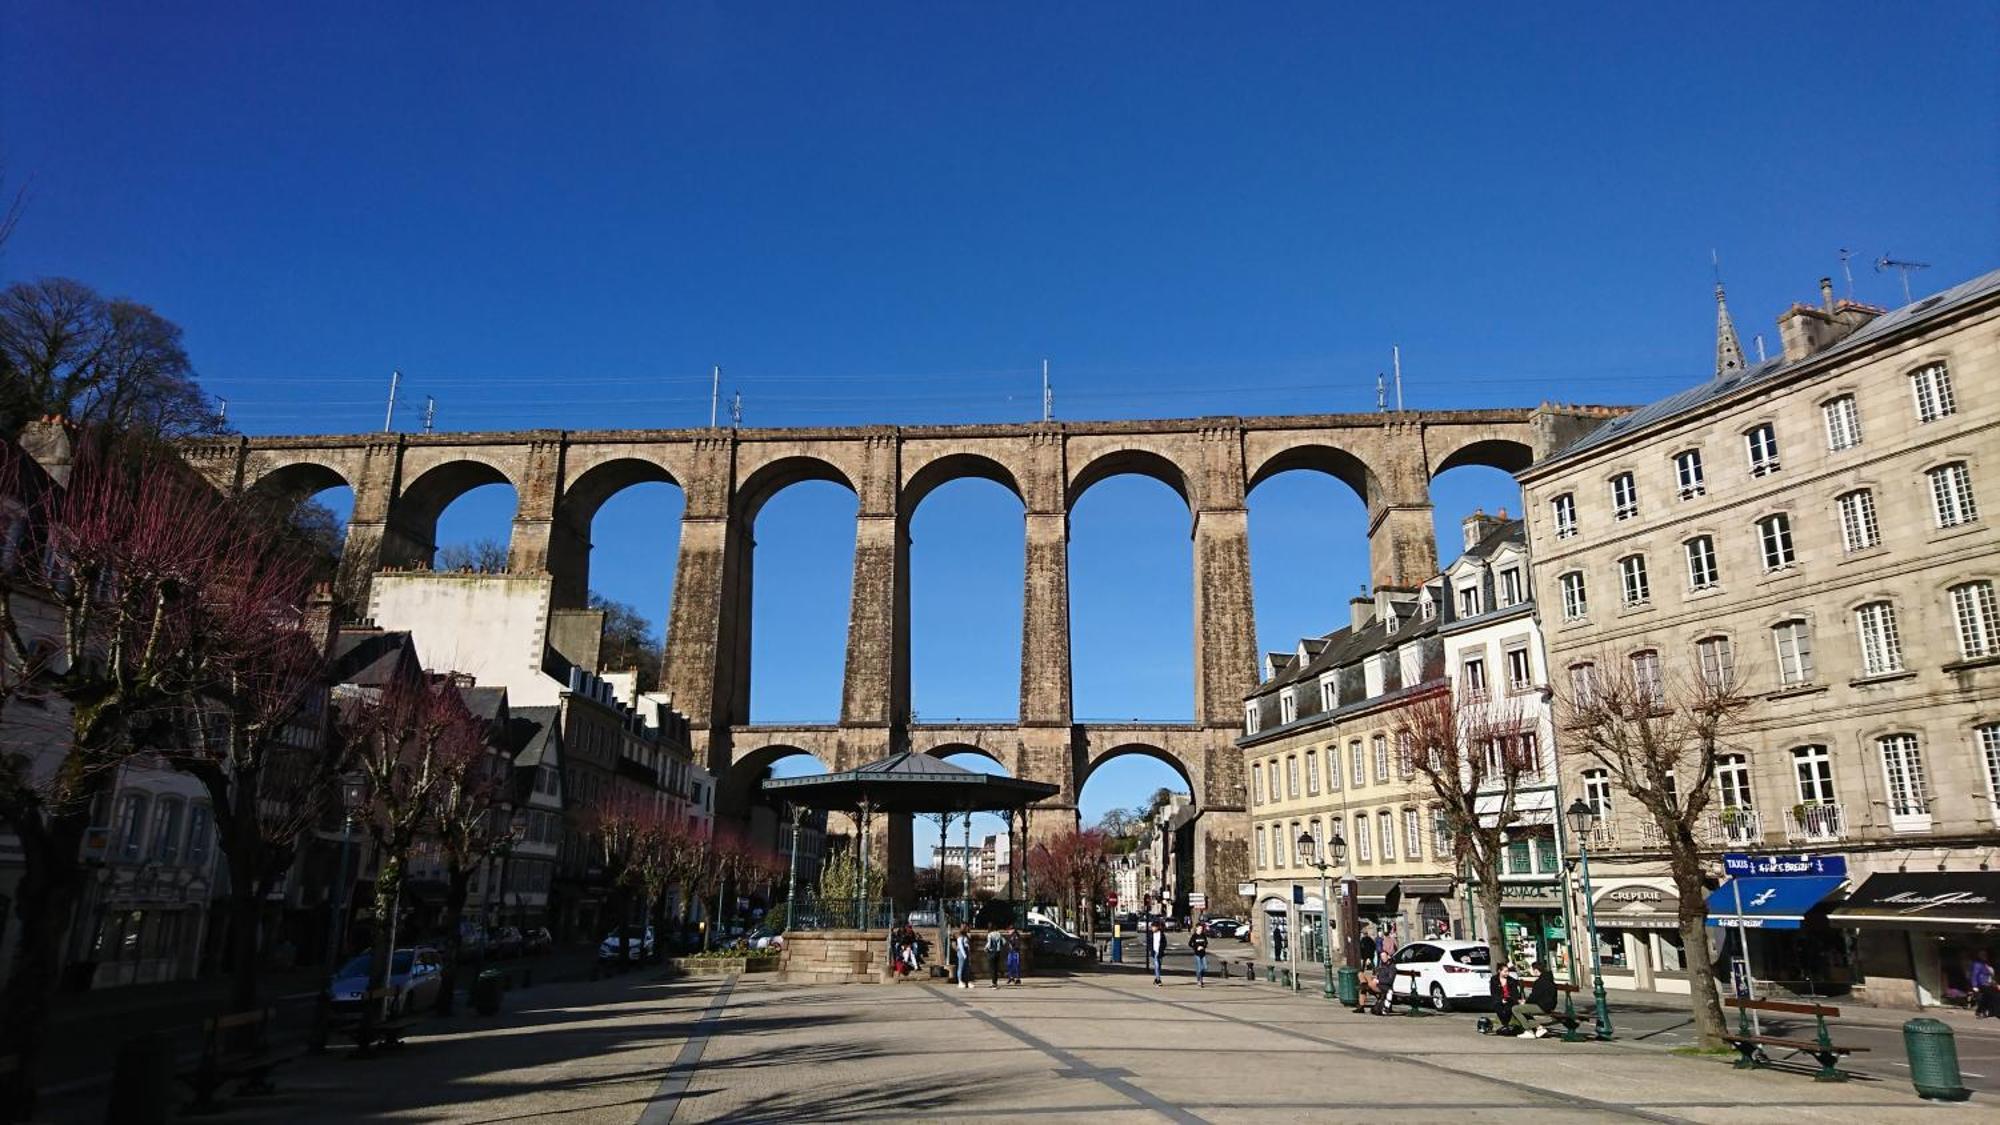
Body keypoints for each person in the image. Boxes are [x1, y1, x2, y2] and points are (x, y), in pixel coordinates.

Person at [1526, 960, 1560, 1037]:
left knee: (1516, 1009)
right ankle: (1535, 1028)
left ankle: (1532, 1029)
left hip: (1542, 1006)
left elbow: (1534, 997)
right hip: (1550, 1005)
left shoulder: (1540, 981)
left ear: (1536, 970)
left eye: (1532, 969)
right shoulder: (1549, 978)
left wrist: (1525, 1002)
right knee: (1523, 1009)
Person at [1490, 963, 1523, 1034]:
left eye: (1508, 971)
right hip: (1499, 999)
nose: (1507, 973)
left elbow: (1515, 993)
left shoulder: (1511, 980)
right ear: (1499, 971)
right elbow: (1494, 993)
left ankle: (1506, 1025)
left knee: (1508, 1008)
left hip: (1510, 999)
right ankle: (1505, 1024)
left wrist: (1510, 999)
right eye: (1505, 971)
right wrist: (1501, 1000)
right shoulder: (1494, 980)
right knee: (1498, 1007)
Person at [1372, 950, 1399, 1015]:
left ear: (1388, 956)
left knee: (1368, 984)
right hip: (1379, 985)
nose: (1383, 958)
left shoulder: (1392, 967)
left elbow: (1390, 980)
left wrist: (1378, 980)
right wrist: (1376, 978)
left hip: (1386, 987)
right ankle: (1361, 1006)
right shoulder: (1381, 966)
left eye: (1384, 956)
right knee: (1363, 978)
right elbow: (1378, 976)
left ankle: (1385, 1008)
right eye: (1381, 956)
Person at [1972, 950, 1998, 1018]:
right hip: (1982, 984)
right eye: (1982, 955)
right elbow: (1975, 975)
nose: (1984, 956)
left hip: (1989, 984)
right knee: (1990, 996)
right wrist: (1974, 986)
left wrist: (1996, 984)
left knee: (1986, 997)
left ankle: (1980, 1011)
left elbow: (1991, 977)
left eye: (1985, 955)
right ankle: (1985, 1011)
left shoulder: (1987, 965)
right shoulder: (1978, 964)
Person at [1147, 919, 1168, 986]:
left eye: (1154, 927)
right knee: (1157, 965)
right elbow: (1149, 942)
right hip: (1154, 951)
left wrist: (1162, 949)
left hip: (1160, 952)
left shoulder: (1161, 934)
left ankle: (1156, 979)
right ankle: (1158, 980)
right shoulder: (1150, 934)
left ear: (1157, 927)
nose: (1152, 928)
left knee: (1159, 966)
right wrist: (1150, 949)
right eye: (1152, 927)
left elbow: (1164, 943)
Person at [1189, 923, 1210, 988]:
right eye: (1200, 928)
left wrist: (1203, 946)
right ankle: (1199, 981)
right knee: (1199, 968)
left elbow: (1206, 943)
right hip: (1197, 954)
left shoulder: (1203, 935)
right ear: (1197, 928)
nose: (1201, 929)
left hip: (1203, 953)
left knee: (1205, 968)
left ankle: (1201, 978)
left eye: (1202, 928)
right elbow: (1190, 944)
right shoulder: (1194, 936)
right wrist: (1196, 947)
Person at [953, 924, 972, 989]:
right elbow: (960, 946)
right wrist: (964, 955)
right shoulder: (960, 936)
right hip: (962, 952)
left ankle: (967, 981)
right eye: (967, 927)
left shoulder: (966, 935)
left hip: (966, 951)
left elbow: (968, 944)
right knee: (961, 967)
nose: (968, 928)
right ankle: (960, 981)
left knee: (967, 968)